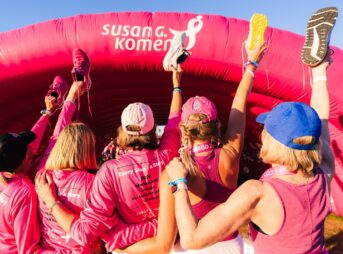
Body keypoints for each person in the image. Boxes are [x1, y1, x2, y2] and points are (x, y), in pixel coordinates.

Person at [166, 53, 334, 254]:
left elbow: (191, 239)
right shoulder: (323, 174)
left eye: (266, 128)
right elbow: (322, 124)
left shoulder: (257, 193)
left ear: (273, 142)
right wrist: (319, 73)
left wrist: (180, 184)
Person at [115, 41, 266, 254]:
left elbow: (164, 243)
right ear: (216, 126)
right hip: (231, 247)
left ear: (183, 130)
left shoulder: (173, 172)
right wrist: (251, 65)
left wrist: (121, 250)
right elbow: (238, 107)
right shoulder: (230, 155)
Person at [35, 66, 183, 252]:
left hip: (133, 246)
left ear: (122, 131)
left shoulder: (108, 172)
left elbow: (87, 233)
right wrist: (177, 85)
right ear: (153, 130)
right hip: (169, 242)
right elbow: (174, 122)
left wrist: (52, 201)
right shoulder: (166, 155)